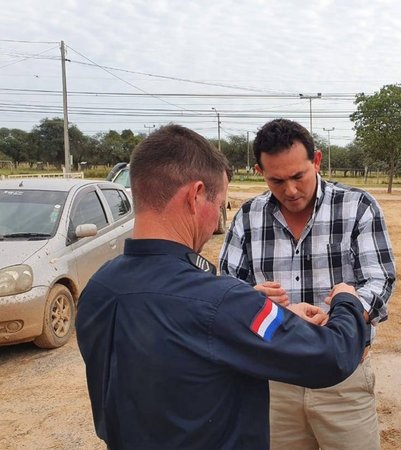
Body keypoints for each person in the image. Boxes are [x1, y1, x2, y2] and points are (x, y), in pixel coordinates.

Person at [75, 124, 370, 450]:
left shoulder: (98, 289)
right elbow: (332, 356)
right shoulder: (224, 303)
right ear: (195, 195)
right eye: (219, 206)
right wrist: (347, 301)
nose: (217, 219)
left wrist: (263, 311)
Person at [219, 118, 396, 450]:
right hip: (274, 380)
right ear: (260, 172)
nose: (290, 190)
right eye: (277, 180)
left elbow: (380, 279)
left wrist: (343, 314)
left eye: (298, 176)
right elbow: (226, 291)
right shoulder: (247, 217)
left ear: (316, 161)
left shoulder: (357, 206)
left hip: (343, 378)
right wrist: (256, 302)